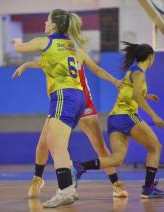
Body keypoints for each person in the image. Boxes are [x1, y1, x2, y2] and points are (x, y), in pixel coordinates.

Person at [12, 49, 128, 198]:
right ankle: (38, 178)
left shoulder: (77, 53)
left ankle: (116, 183)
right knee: (43, 143)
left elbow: (97, 70)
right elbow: (40, 67)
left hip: (84, 102)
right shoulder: (50, 55)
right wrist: (26, 64)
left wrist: (115, 81)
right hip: (64, 104)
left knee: (100, 146)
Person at [12, 9, 89, 208]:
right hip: (77, 97)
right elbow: (48, 64)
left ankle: (65, 190)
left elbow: (21, 48)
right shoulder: (70, 45)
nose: (44, 24)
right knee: (46, 143)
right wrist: (28, 65)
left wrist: (17, 42)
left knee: (57, 146)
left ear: (53, 25)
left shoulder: (44, 41)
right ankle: (57, 185)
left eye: (47, 21)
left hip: (63, 96)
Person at [73, 42, 164, 199]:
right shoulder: (139, 74)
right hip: (127, 116)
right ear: (150, 58)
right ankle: (148, 188)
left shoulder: (131, 71)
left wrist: (147, 96)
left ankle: (80, 166)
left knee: (117, 159)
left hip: (114, 118)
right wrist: (154, 116)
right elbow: (136, 96)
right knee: (155, 147)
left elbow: (129, 93)